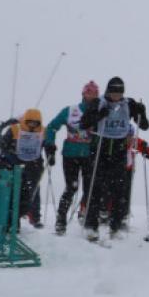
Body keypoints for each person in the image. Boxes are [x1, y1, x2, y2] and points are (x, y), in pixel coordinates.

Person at [79, 77, 149, 240]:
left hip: (119, 148)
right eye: (113, 92)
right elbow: (83, 124)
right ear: (108, 91)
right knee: (95, 188)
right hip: (100, 147)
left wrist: (142, 112)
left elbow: (145, 126)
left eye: (119, 92)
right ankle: (91, 225)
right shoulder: (98, 103)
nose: (116, 96)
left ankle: (116, 226)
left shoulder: (129, 104)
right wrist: (98, 115)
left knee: (119, 190)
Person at [43, 82, 100, 234]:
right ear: (83, 94)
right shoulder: (71, 110)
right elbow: (52, 127)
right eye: (89, 93)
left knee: (90, 189)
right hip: (71, 154)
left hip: (90, 155)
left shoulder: (100, 111)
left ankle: (88, 221)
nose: (92, 96)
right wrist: (49, 144)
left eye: (95, 94)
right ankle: (61, 220)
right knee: (72, 188)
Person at [0, 109, 48, 227]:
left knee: (34, 190)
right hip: (16, 162)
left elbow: (47, 144)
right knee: (14, 189)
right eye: (30, 122)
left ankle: (34, 216)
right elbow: (4, 143)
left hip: (34, 164)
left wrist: (50, 150)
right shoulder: (14, 129)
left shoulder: (43, 131)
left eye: (35, 123)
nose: (32, 125)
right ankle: (12, 215)